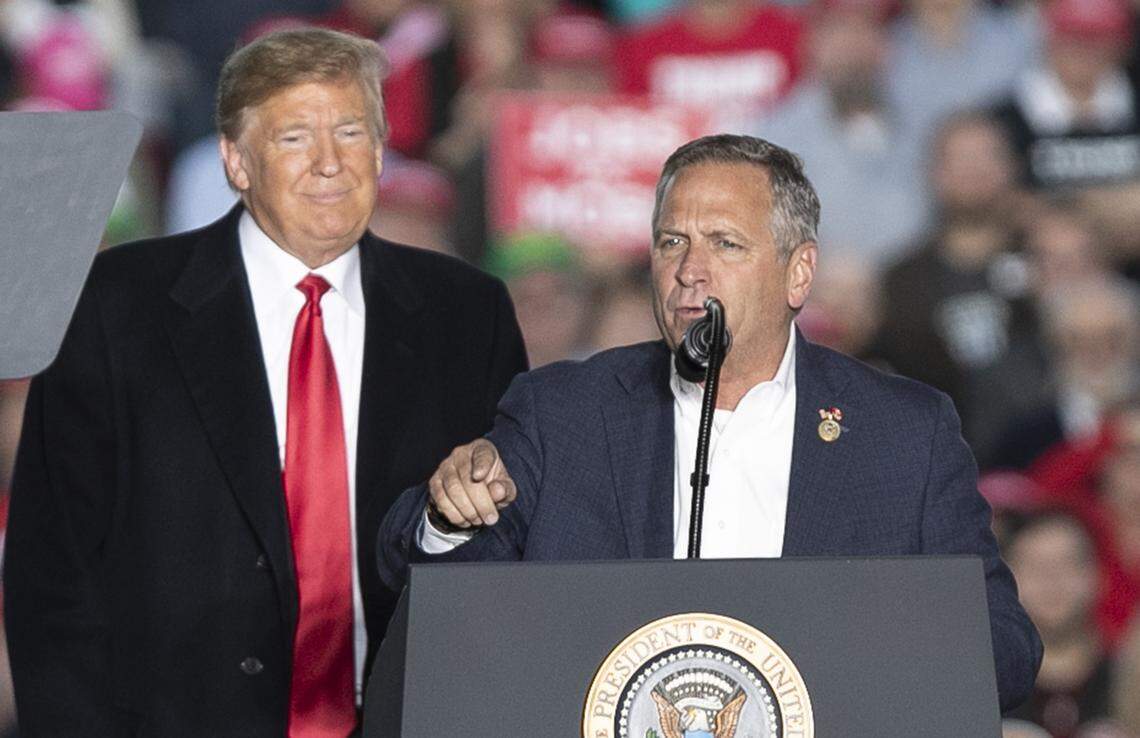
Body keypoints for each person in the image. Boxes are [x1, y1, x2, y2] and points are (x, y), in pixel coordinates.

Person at [377, 134, 1043, 711]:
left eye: (725, 243)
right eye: (672, 243)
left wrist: (870, 637)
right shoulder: (563, 412)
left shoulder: (903, 435)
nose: (690, 273)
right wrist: (449, 516)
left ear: (798, 272)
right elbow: (418, 568)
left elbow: (1005, 649)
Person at [4, 27, 527, 737]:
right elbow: (53, 573)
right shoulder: (114, 304)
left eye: (350, 133)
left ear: (379, 151)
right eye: (292, 139)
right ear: (236, 162)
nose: (329, 164)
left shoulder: (468, 313)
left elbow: (510, 553)